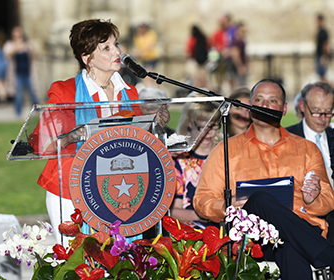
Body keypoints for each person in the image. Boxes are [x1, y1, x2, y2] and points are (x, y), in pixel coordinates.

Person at [29, 19, 169, 245]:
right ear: (87, 58)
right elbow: (42, 145)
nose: (117, 52)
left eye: (117, 44)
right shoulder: (64, 92)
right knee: (78, 266)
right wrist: (75, 135)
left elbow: (137, 143)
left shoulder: (130, 92)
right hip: (69, 192)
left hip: (121, 193)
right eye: (106, 48)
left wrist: (156, 125)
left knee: (122, 263)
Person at [194, 79, 334, 279]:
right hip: (252, 236)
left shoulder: (307, 149)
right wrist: (229, 206)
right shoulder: (226, 149)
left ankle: (322, 253)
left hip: (299, 233)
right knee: (259, 198)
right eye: (258, 100)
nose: (265, 106)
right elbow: (202, 200)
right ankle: (328, 255)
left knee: (289, 246)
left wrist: (312, 199)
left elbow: (328, 200)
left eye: (272, 101)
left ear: (284, 109)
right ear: (249, 107)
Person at [170, 92, 222, 229]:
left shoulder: (225, 154)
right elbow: (174, 212)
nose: (208, 132)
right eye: (202, 127)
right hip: (191, 233)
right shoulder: (179, 160)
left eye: (213, 126)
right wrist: (209, 214)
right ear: (189, 124)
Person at [286, 82, 334, 180]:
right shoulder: (286, 138)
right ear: (302, 106)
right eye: (316, 111)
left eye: (328, 112)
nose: (323, 118)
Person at [3, 25, 39, 117]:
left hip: (28, 72)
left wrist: (28, 48)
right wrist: (17, 47)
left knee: (32, 92)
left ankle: (38, 109)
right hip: (16, 73)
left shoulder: (27, 44)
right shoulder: (9, 44)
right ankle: (18, 113)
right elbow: (7, 55)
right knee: (18, 93)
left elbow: (34, 56)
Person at [230, 22, 248, 88]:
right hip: (238, 66)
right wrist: (239, 67)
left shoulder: (241, 39)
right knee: (240, 87)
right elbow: (235, 54)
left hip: (240, 65)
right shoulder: (237, 40)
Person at [315, 14, 331, 83]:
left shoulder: (323, 32)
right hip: (320, 56)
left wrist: (325, 56)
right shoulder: (320, 31)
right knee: (321, 76)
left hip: (322, 56)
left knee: (323, 77)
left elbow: (326, 44)